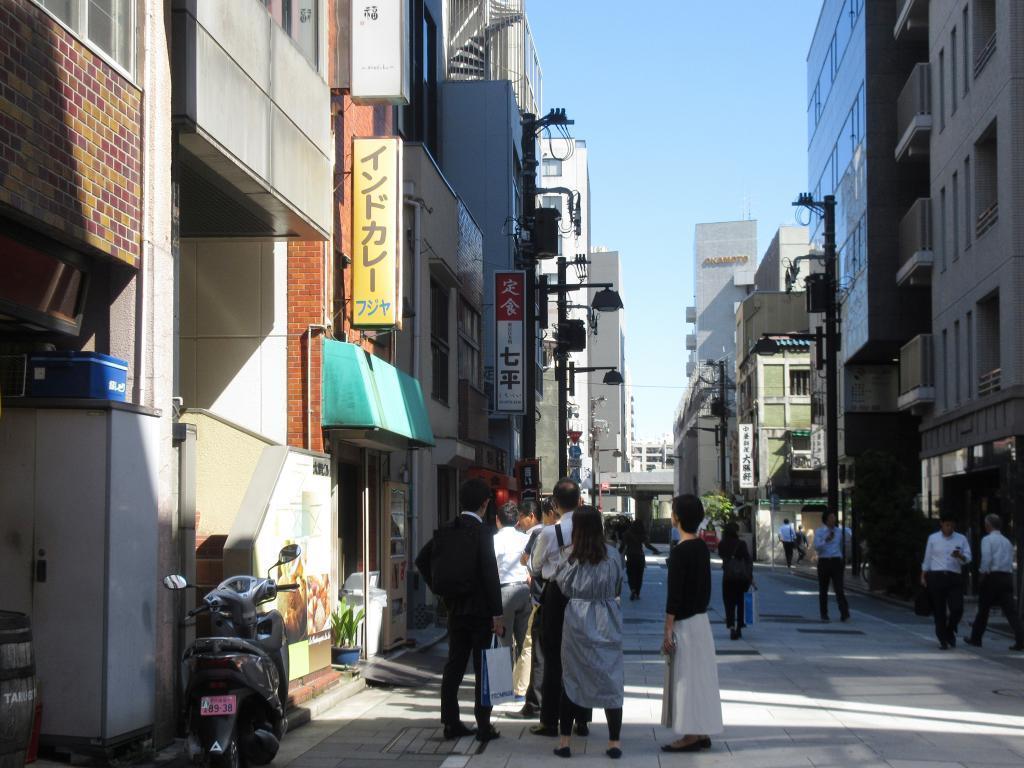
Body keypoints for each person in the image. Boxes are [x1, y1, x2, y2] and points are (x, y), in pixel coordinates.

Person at [414, 478, 503, 741]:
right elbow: (490, 572)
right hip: (481, 611)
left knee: (454, 666)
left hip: (455, 610)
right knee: (483, 667)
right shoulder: (483, 532)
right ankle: (484, 726)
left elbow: (421, 560)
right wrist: (497, 613)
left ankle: (451, 722)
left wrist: (440, 589)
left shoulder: (445, 530)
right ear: (485, 504)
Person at [552, 506, 626, 760]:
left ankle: (564, 742)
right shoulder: (614, 555)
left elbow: (561, 585)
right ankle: (614, 742)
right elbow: (618, 584)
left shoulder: (570, 557)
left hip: (577, 619)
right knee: (611, 677)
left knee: (572, 677)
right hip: (607, 617)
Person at [661, 495, 723, 753]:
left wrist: (667, 630)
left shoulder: (679, 551)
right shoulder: (700, 547)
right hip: (702, 621)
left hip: (685, 625)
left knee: (685, 678)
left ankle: (689, 734)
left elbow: (674, 596)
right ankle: (701, 730)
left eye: (674, 511)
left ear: (678, 517)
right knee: (702, 678)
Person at [532, 479, 591, 738]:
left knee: (553, 657)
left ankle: (550, 720)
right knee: (581, 656)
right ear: (579, 501)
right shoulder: (590, 530)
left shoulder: (548, 533)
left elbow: (535, 566)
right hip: (584, 595)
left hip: (556, 595)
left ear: (554, 504)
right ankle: (582, 720)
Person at [964, 514, 1024, 650]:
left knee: (983, 609)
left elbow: (987, 558)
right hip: (1006, 577)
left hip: (992, 577)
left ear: (988, 525)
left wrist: (982, 573)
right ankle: (1021, 639)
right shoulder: (1007, 541)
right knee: (1011, 611)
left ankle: (976, 638)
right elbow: (1009, 560)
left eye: (986, 524)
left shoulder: (987, 540)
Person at [920, 510, 972, 649]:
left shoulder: (961, 538)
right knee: (939, 610)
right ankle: (942, 639)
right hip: (936, 576)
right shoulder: (933, 538)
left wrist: (959, 556)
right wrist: (923, 574)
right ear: (941, 524)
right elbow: (928, 557)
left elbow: (968, 558)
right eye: (947, 525)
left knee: (957, 608)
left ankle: (950, 629)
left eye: (952, 525)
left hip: (954, 576)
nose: (949, 528)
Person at [511, 500, 543, 702]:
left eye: (521, 517)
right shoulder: (546, 533)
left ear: (531, 516)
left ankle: (521, 688)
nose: (518, 522)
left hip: (532, 595)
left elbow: (532, 566)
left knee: (527, 644)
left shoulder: (535, 536)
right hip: (536, 596)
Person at [494, 501, 531, 668]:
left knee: (504, 641)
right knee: (525, 642)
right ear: (517, 521)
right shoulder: (526, 538)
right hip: (525, 590)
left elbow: (491, 570)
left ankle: (505, 684)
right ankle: (523, 685)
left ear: (497, 520)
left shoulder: (495, 540)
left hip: (504, 592)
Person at [814, 512, 851, 623]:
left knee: (839, 588)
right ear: (826, 520)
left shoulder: (840, 531)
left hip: (836, 561)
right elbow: (817, 547)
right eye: (831, 517)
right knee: (823, 589)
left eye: (834, 517)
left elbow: (848, 540)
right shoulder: (820, 532)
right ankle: (824, 614)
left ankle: (844, 613)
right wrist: (826, 540)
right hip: (824, 561)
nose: (833, 519)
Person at [717, 522, 752, 640]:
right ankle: (739, 627)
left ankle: (731, 626)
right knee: (741, 603)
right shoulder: (741, 544)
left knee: (729, 603)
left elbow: (722, 556)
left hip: (728, 577)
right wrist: (750, 577)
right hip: (741, 578)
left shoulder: (722, 544)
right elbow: (747, 560)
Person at [619, 519, 659, 600]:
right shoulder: (642, 534)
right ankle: (637, 593)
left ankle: (632, 589)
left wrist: (616, 553)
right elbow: (647, 545)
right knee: (639, 575)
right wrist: (655, 550)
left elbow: (622, 546)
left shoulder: (627, 533)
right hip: (640, 556)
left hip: (630, 556)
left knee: (630, 574)